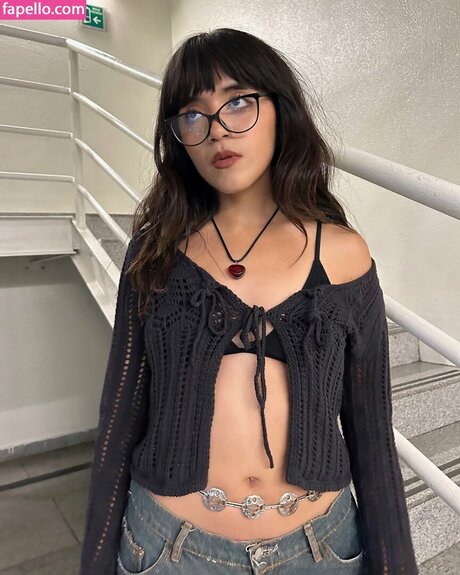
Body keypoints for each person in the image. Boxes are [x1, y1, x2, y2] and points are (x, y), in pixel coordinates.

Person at [79, 28, 418, 575]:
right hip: (169, 550)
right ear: (178, 136)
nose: (216, 129)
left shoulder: (345, 255)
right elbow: (119, 418)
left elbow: (373, 438)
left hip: (321, 550)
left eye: (238, 102)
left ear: (281, 109)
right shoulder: (156, 252)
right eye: (193, 114)